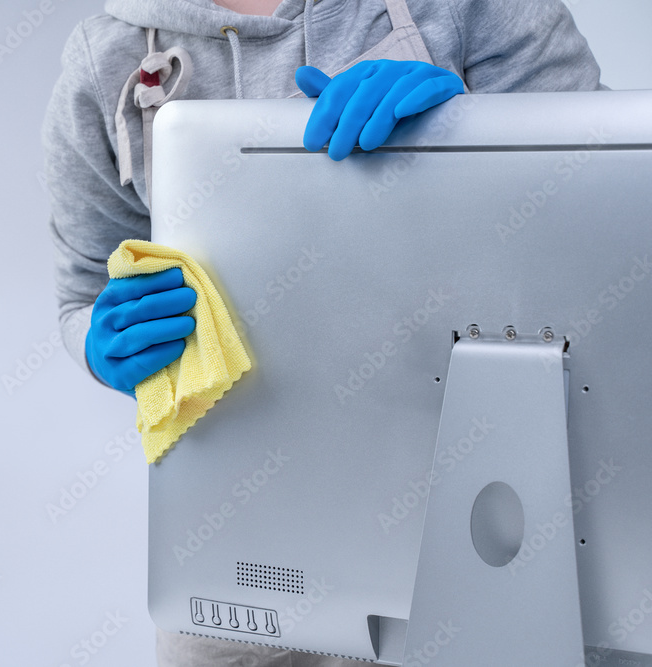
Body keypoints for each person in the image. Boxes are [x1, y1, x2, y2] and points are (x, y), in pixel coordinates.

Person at [42, 1, 603, 664]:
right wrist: (102, 344)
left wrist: (478, 132)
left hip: (489, 508)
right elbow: (82, 294)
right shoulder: (107, 56)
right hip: (239, 554)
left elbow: (610, 206)